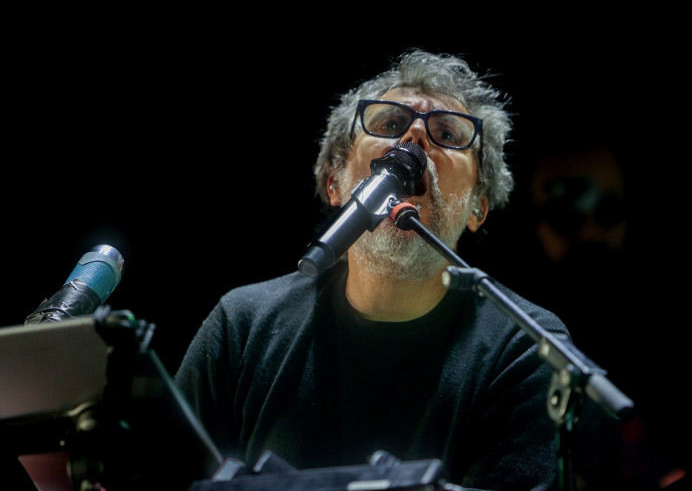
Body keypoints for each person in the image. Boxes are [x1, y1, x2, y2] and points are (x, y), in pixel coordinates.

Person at [174, 49, 571, 491]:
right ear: (335, 183)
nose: (415, 137)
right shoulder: (242, 325)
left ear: (478, 208)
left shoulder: (528, 346)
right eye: (389, 125)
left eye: (446, 132)